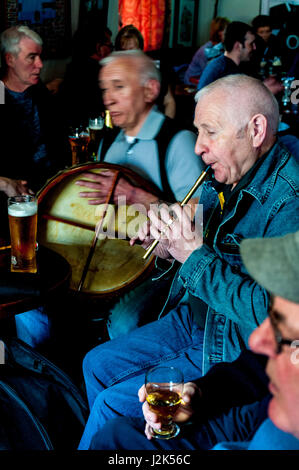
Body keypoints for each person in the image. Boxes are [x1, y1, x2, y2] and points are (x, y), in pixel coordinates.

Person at [77, 74, 299, 449]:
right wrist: (166, 243)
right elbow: (194, 242)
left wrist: (192, 257)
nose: (198, 147)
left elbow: (276, 320)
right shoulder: (225, 176)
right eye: (197, 132)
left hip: (232, 340)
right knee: (95, 364)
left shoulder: (289, 202)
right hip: (196, 316)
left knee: (111, 407)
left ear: (256, 129)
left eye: (210, 132)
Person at [90, 229, 299, 451]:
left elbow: (259, 310)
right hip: (201, 317)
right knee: (98, 371)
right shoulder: (216, 193)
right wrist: (200, 392)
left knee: (109, 403)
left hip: (223, 334)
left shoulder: (288, 205)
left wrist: (194, 257)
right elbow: (260, 364)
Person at [75, 50, 203, 339]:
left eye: (119, 86)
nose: (108, 98)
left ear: (150, 90)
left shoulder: (177, 141)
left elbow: (199, 223)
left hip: (161, 267)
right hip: (114, 256)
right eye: (105, 89)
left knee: (123, 323)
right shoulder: (108, 141)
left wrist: (135, 194)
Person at [0, 25, 68, 193]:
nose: (40, 64)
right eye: (32, 57)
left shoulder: (38, 90)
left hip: (51, 183)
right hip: (18, 195)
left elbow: (58, 137)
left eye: (40, 56)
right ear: (10, 60)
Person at [58, 21, 113, 128]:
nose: (111, 51)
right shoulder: (99, 75)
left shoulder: (72, 68)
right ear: (99, 48)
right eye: (110, 46)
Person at [115, 25, 176, 119]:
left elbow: (169, 101)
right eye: (124, 52)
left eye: (132, 50)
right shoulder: (115, 74)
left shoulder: (157, 69)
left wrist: (166, 127)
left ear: (141, 50)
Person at [197, 21, 256, 92]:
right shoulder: (226, 72)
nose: (254, 47)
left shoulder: (220, 64)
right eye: (251, 44)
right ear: (238, 46)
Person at [184, 17, 230, 86]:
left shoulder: (221, 47)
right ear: (219, 33)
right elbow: (209, 74)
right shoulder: (206, 50)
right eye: (226, 31)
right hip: (191, 83)